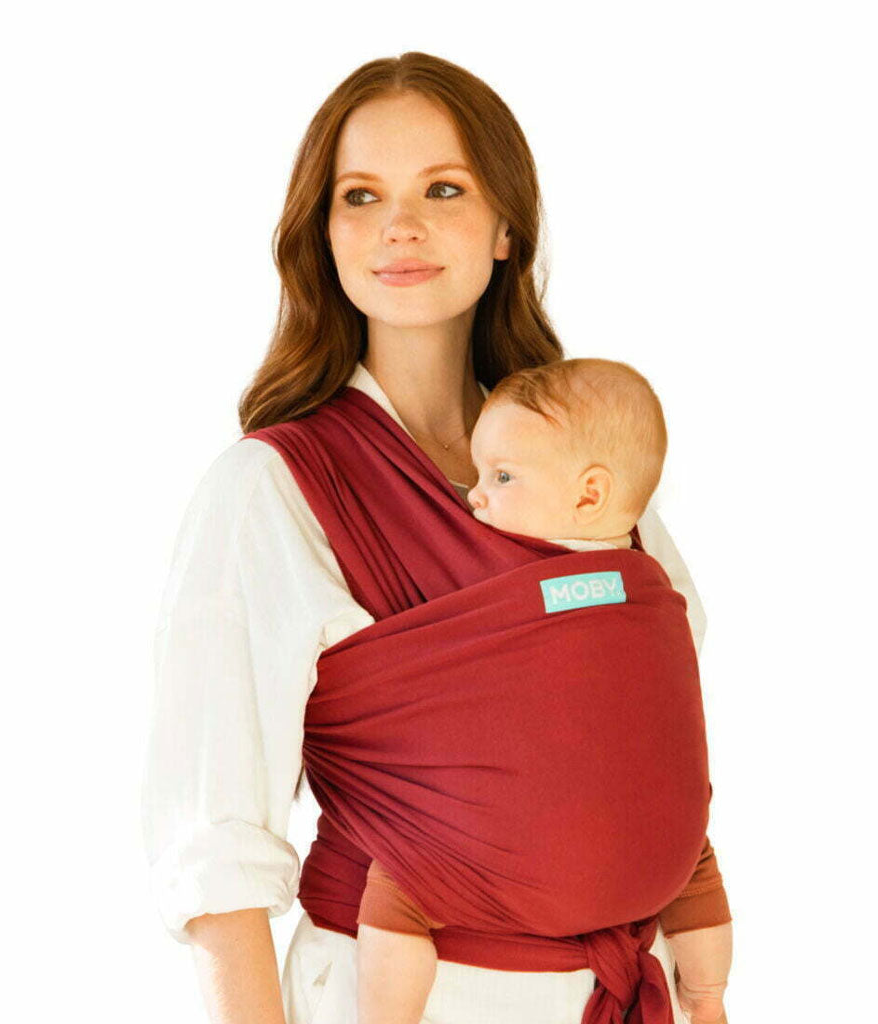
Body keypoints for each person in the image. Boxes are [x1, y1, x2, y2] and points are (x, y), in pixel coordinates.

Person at [140, 52, 733, 1024]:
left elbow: (645, 721)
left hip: (623, 989)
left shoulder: (589, 471)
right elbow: (214, 843)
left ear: (507, 228)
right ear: (323, 233)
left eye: (443, 189)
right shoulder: (269, 489)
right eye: (360, 196)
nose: (399, 226)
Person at [354, 357, 731, 1024]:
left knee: (399, 880)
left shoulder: (495, 582)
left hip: (526, 865)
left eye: (501, 477)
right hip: (655, 864)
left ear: (588, 495)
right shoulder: (654, 587)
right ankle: (707, 998)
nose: (475, 496)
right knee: (694, 857)